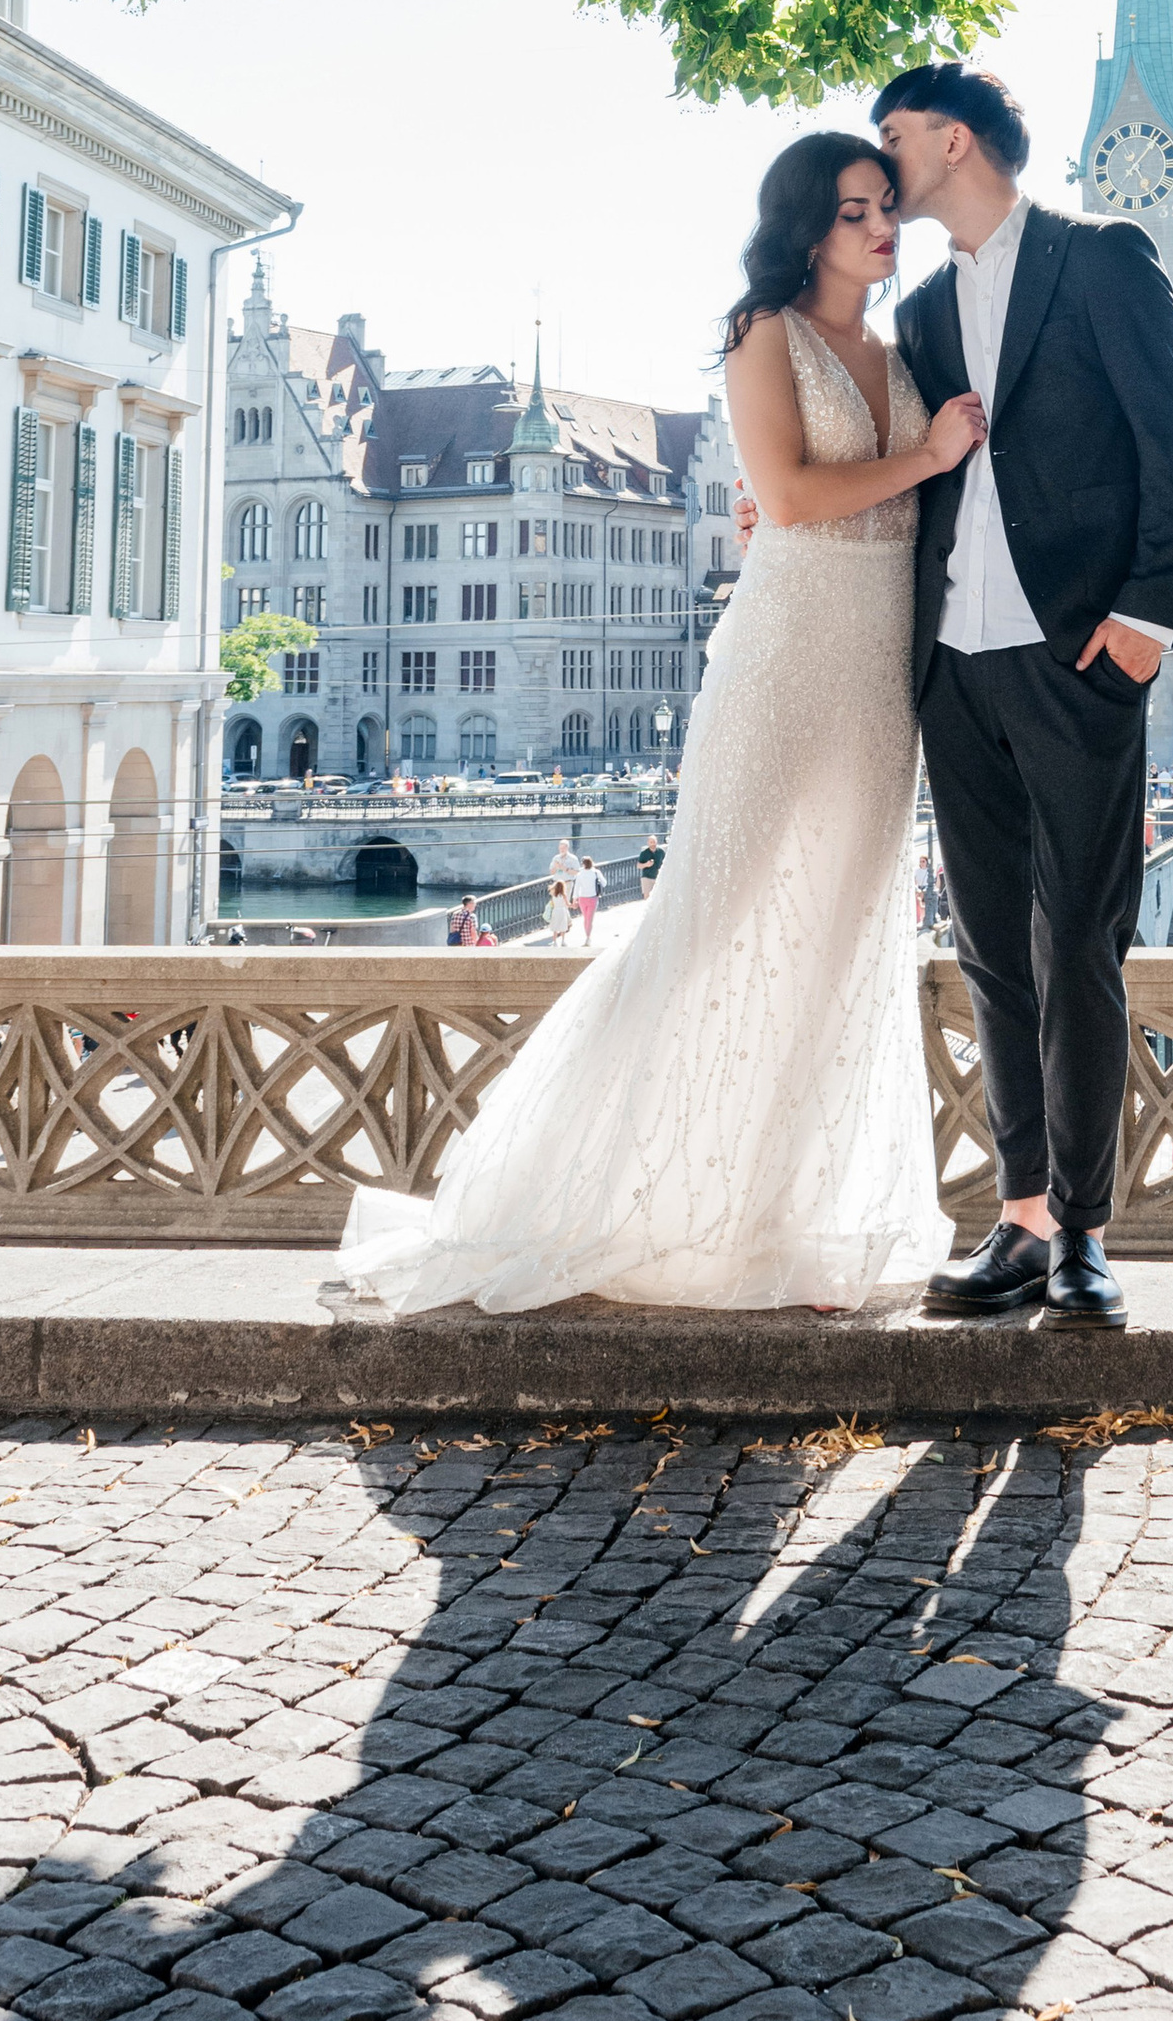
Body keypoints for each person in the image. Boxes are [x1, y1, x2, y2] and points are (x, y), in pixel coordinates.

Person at [321, 131, 984, 1316]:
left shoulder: (898, 346)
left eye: (885, 206)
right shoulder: (763, 337)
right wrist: (930, 454)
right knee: (715, 916)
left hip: (879, 666)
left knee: (838, 932)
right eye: (852, 211)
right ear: (802, 229)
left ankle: (796, 1219)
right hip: (786, 655)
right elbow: (783, 499)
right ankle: (585, 1192)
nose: (881, 226)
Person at [878, 58, 1173, 1335]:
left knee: (1078, 941)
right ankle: (1017, 1219)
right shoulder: (919, 314)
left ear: (953, 142)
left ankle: (1083, 1232)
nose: (883, 160)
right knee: (988, 945)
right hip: (953, 664)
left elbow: (1167, 441)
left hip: (1078, 654)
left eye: (895, 136)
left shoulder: (1101, 255)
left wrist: (1143, 614)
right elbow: (920, 475)